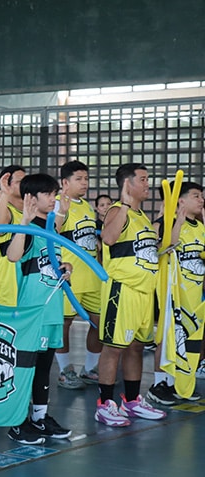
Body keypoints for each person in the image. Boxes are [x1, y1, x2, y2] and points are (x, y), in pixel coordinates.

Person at [94, 163, 166, 427]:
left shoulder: (143, 217)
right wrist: (123, 204)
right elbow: (109, 238)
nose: (148, 184)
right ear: (128, 184)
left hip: (144, 292)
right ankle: (104, 404)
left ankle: (133, 400)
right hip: (122, 290)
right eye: (143, 179)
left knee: (136, 347)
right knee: (113, 347)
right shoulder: (117, 210)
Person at [5, 174, 72, 444]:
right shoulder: (28, 227)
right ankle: (17, 422)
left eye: (54, 193)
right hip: (33, 312)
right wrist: (23, 221)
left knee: (44, 367)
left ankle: (39, 417)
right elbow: (13, 256)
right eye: (48, 193)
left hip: (52, 308)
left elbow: (58, 260)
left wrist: (67, 268)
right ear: (32, 198)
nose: (53, 198)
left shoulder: (51, 228)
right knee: (26, 368)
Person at [146, 181, 205, 403]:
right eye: (196, 195)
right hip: (173, 294)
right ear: (180, 200)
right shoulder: (163, 223)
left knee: (191, 341)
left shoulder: (200, 226)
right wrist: (178, 223)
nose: (201, 199)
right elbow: (162, 250)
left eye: (201, 196)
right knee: (169, 337)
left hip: (195, 295)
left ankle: (181, 384)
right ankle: (159, 384)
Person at [53, 161, 103, 388]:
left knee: (99, 323)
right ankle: (65, 370)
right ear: (65, 182)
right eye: (78, 179)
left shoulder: (87, 207)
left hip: (92, 275)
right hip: (69, 277)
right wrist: (61, 213)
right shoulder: (56, 204)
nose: (84, 183)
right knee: (64, 323)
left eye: (86, 179)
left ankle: (90, 368)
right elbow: (51, 233)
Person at [0, 165, 26, 307]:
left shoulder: (32, 212)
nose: (24, 184)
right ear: (7, 184)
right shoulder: (6, 211)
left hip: (30, 288)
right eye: (19, 181)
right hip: (9, 291)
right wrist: (4, 194)